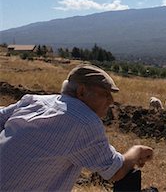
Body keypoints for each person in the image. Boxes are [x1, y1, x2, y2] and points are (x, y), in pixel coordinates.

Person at [0, 63, 153, 191]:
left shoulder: (34, 101)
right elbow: (116, 172)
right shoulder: (85, 122)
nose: (111, 101)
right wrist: (136, 151)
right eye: (105, 94)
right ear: (81, 91)